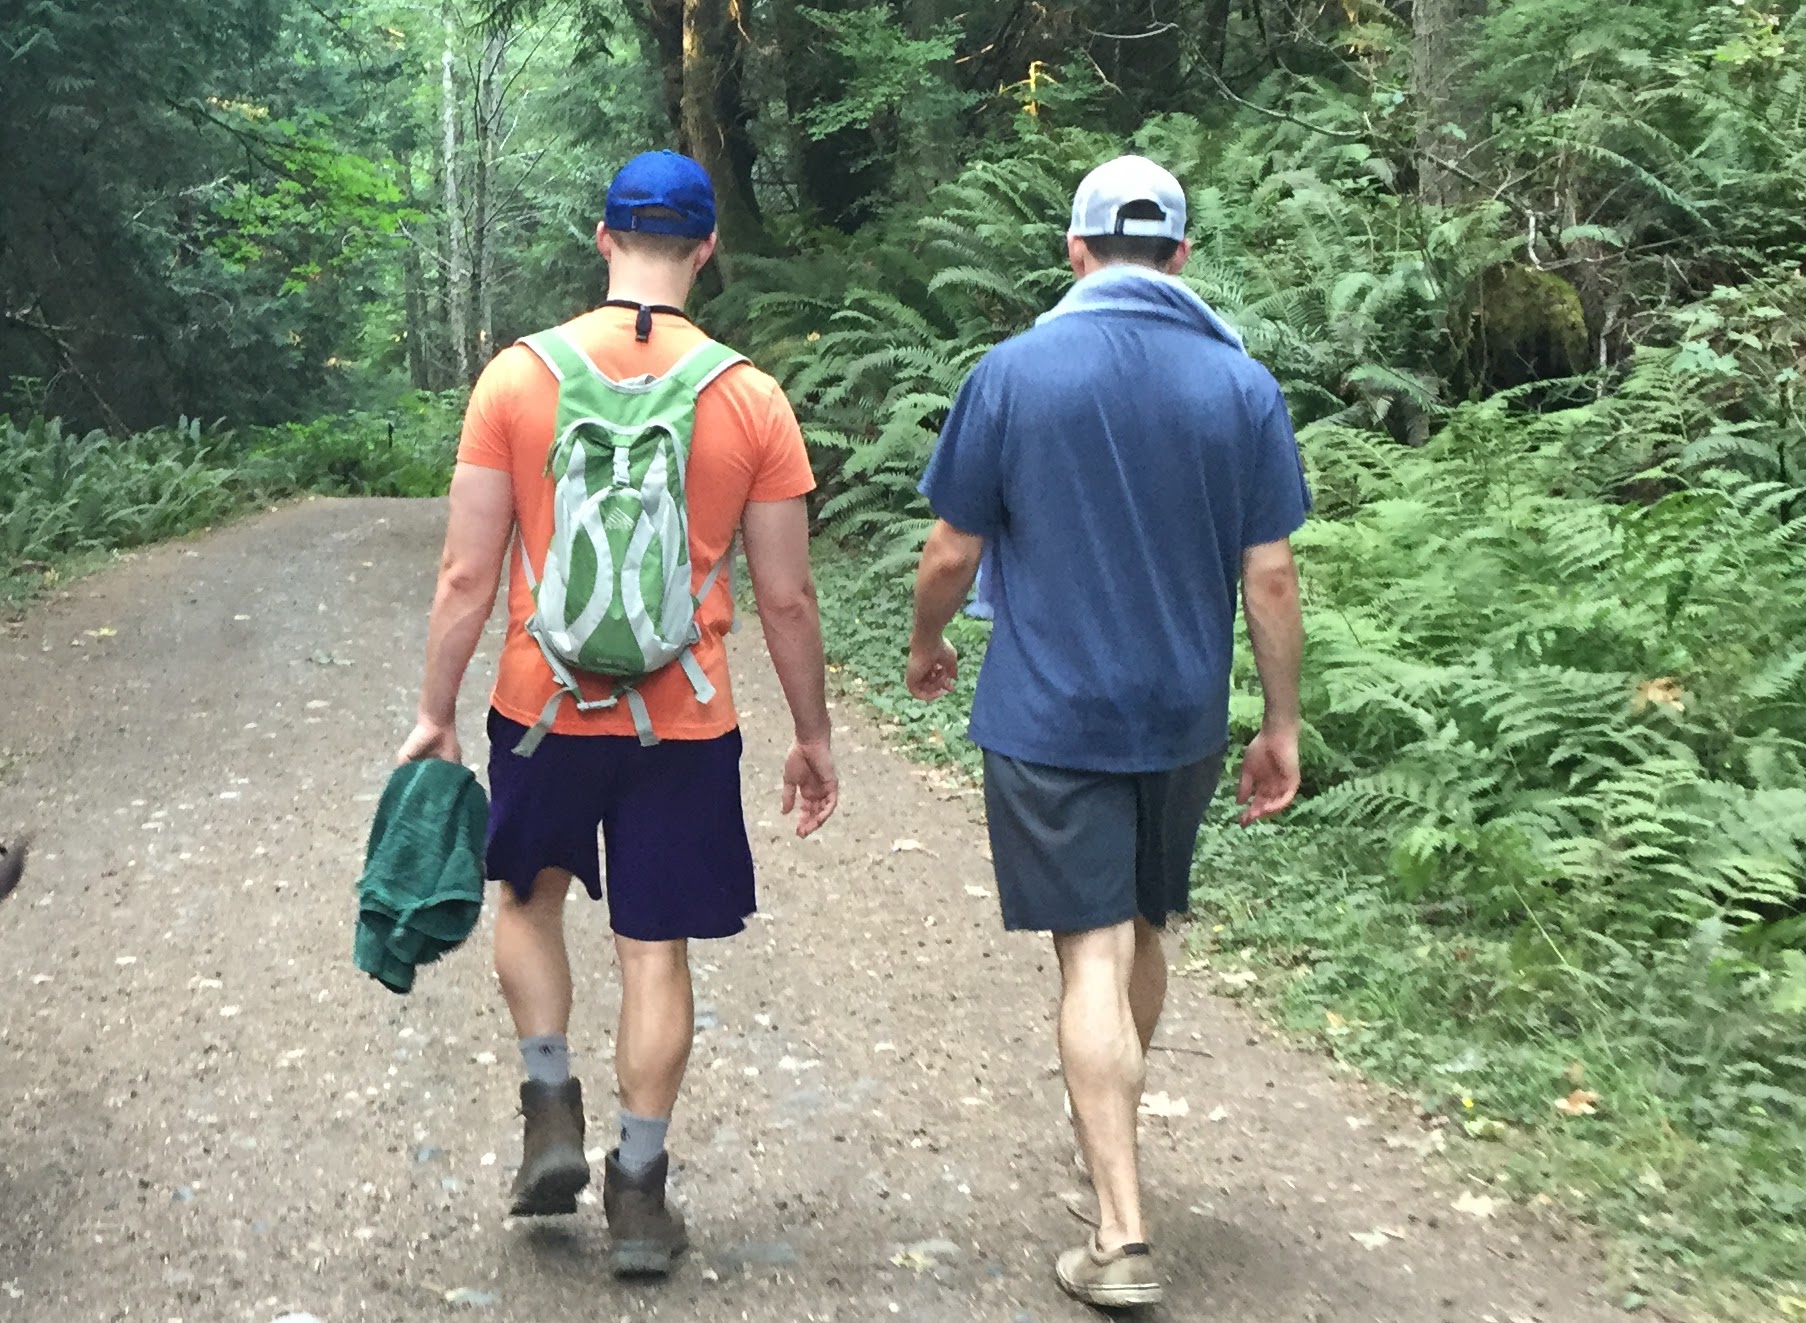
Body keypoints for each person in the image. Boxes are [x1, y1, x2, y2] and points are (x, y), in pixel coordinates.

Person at [399, 150, 839, 1280]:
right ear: (705, 250)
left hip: (536, 709)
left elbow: (465, 574)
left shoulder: (515, 378)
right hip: (681, 721)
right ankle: (638, 1196)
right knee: (655, 950)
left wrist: (435, 714)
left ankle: (549, 1104)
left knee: (526, 896)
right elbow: (786, 594)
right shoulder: (750, 396)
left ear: (603, 239)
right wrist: (811, 732)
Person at [905, 154, 1308, 1310]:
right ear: (1181, 257)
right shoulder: (1239, 386)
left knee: (1088, 948)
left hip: (1046, 714)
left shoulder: (1015, 371)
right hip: (1178, 713)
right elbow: (1269, 577)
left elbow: (949, 550)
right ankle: (1108, 1154)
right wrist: (1278, 722)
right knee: (1137, 930)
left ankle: (1120, 1228)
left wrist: (928, 644)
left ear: (1073, 252)